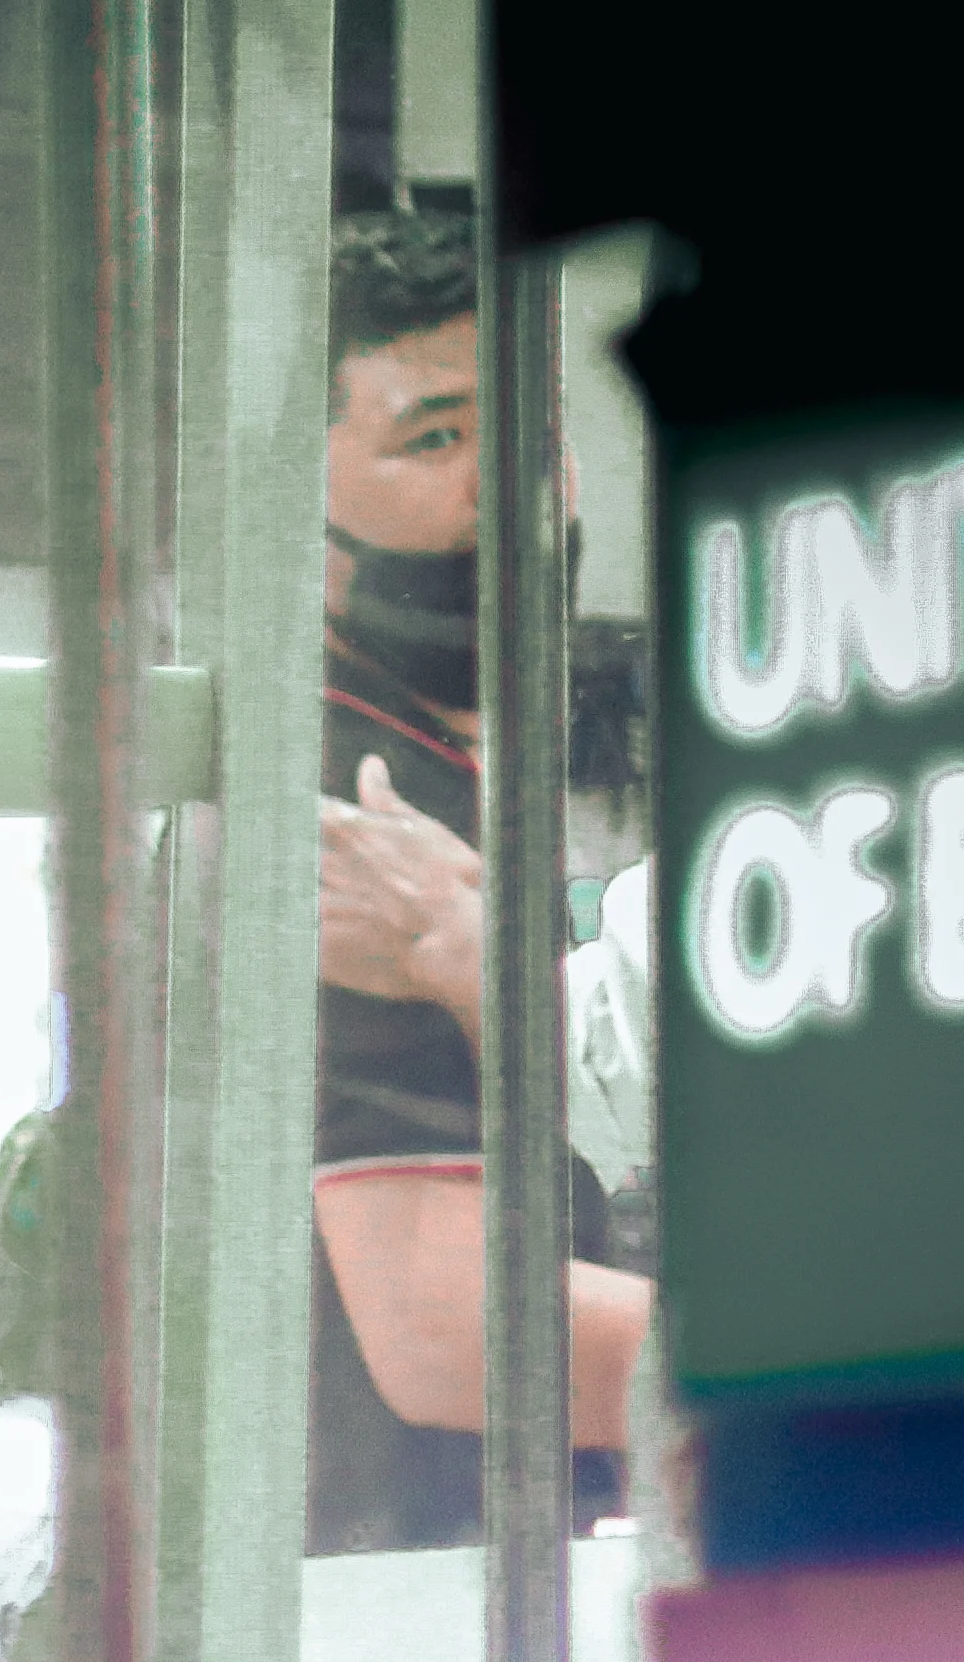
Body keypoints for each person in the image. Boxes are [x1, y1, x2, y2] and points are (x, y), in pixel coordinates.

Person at [309, 200, 640, 1553]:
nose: (505, 488)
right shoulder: (346, 814)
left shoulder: (478, 783)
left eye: (528, 438)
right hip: (406, 1583)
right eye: (434, 437)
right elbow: (443, 1326)